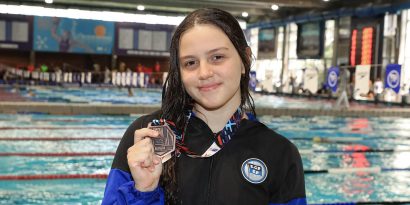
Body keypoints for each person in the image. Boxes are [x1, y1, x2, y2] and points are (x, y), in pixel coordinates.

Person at [102, 8, 306, 205]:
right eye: (190, 63)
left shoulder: (279, 153)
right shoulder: (147, 136)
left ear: (244, 59)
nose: (204, 73)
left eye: (217, 57)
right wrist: (144, 191)